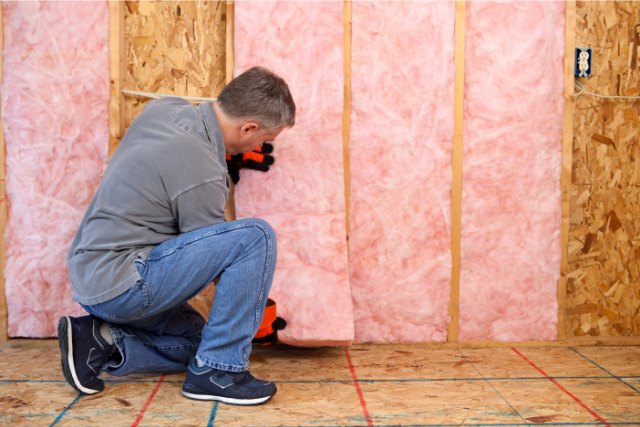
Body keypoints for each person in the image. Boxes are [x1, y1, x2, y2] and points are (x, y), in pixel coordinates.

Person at [58, 66, 295, 406]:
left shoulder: (165, 108)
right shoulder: (203, 169)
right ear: (249, 128)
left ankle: (101, 338)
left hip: (93, 278)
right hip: (125, 283)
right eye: (263, 139)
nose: (259, 146)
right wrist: (254, 308)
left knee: (204, 342)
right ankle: (220, 373)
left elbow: (177, 161)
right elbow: (215, 252)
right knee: (255, 236)